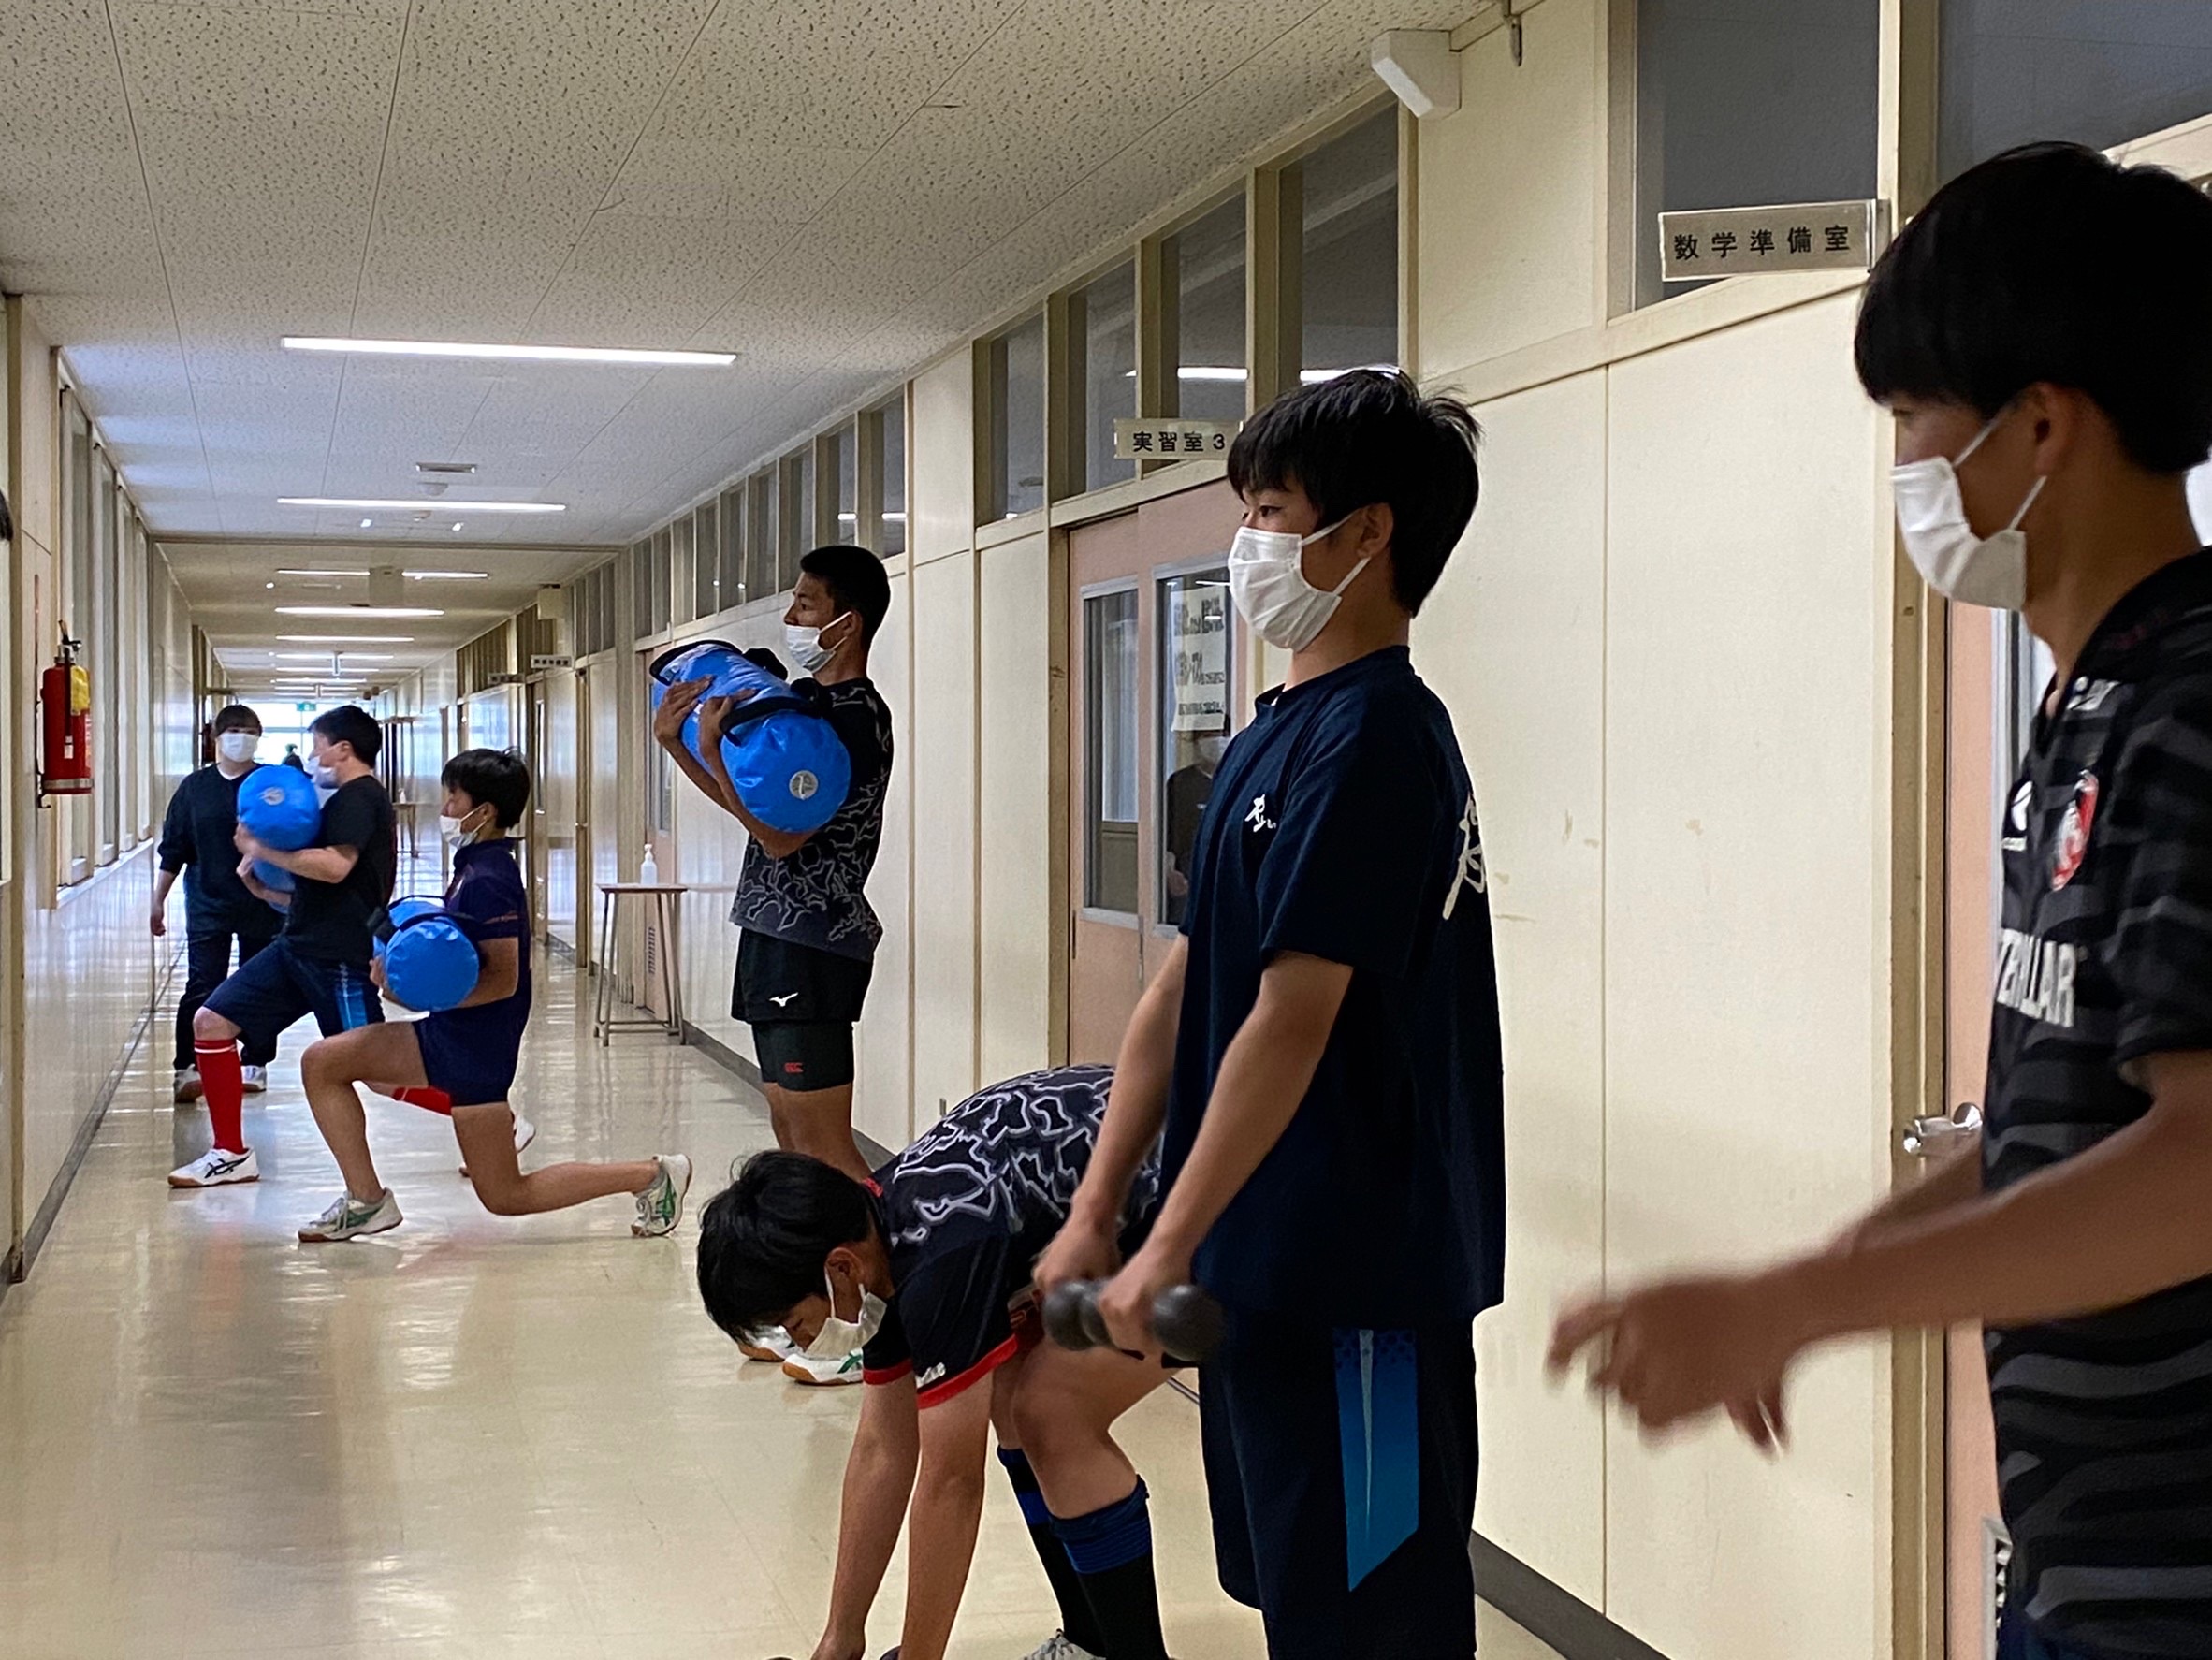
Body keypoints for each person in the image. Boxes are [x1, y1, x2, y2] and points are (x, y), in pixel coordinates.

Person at [1545, 143, 2212, 1660]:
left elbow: (2193, 1166)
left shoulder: (2191, 705)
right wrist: (1813, 1280)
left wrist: (1795, 1301)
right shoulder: (2089, 706)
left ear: (2039, 424)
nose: (1903, 464)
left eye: (1914, 419)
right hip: (2085, 1560)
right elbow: (2058, 1136)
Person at [1036, 370, 1499, 1660]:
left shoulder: (1380, 742)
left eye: (1273, 511)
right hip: (1266, 1273)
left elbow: (1292, 1019)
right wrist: (1098, 1208)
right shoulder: (1275, 733)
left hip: (1363, 1286)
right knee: (1299, 1592)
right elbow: (1186, 986)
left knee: (1374, 1613)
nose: (1249, 541)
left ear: (1367, 533)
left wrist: (1167, 1242)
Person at [696, 1064, 1175, 1660]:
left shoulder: (940, 1257)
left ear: (839, 1268)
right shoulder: (876, 1234)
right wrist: (841, 1639)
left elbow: (951, 1484)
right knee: (1011, 1395)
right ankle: (1090, 1642)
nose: (800, 1343)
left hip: (1228, 1196)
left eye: (796, 1325)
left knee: (1051, 1411)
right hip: (1153, 1190)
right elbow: (883, 1447)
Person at [654, 544, 895, 1380]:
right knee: (793, 1143)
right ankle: (818, 1316)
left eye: (805, 605)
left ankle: (884, 1319)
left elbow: (784, 837)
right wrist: (682, 746)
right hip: (773, 935)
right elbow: (754, 810)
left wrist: (713, 750)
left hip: (815, 943)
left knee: (825, 1149)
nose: (790, 618)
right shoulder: (802, 703)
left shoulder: (852, 719)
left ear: (846, 622)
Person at [284, 747, 691, 1241]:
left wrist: (412, 996)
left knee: (503, 1193)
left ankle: (651, 1174)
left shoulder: (489, 879)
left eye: (454, 798)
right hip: (460, 1033)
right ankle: (366, 1199)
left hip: (473, 1044)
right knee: (502, 1192)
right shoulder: (475, 865)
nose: (446, 809)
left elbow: (503, 981)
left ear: (485, 811)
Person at [168, 705, 397, 1188]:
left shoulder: (359, 797)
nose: (313, 756)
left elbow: (335, 868)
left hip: (338, 957)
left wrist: (261, 849)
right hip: (296, 946)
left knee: (378, 1072)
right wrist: (266, 892)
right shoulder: (336, 800)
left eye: (318, 746)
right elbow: (325, 888)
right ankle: (229, 1152)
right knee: (211, 1022)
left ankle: (488, 1114)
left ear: (343, 749)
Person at [153, 704, 281, 1103]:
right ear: (216, 737)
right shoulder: (195, 788)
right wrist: (158, 900)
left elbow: (295, 836)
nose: (242, 738)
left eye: (251, 731)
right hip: (208, 901)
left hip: (262, 901)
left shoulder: (270, 784)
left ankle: (255, 1060)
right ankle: (187, 1067)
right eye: (234, 730)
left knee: (258, 983)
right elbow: (174, 848)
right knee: (202, 983)